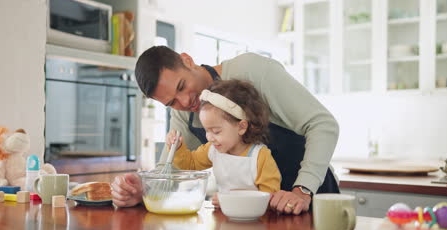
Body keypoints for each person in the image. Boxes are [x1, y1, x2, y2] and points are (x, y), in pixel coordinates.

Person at [111, 46, 340, 215]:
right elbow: (171, 169)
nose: (185, 101)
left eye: (182, 86)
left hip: (310, 200)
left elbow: (323, 125)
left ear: (187, 60)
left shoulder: (252, 70)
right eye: (171, 102)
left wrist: (302, 190)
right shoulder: (182, 112)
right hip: (253, 218)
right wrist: (143, 190)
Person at [166, 80, 281, 206]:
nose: (209, 137)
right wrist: (177, 148)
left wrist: (230, 202)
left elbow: (269, 197)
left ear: (241, 127)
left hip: (254, 222)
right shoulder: (212, 149)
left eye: (216, 131)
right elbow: (190, 164)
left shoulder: (260, 157)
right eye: (206, 130)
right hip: (225, 219)